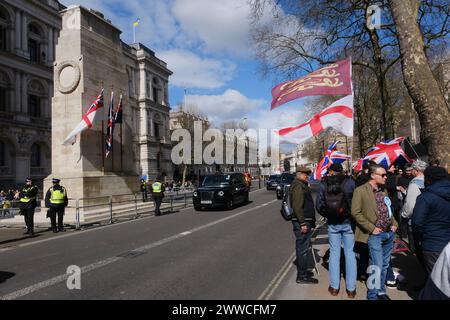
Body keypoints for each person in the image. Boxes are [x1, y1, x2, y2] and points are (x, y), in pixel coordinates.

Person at [351, 163, 398, 300]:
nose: (385, 177)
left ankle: (381, 291)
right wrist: (371, 228)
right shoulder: (360, 190)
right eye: (383, 175)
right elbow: (355, 212)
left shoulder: (383, 190)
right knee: (376, 265)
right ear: (372, 175)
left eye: (386, 175)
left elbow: (388, 209)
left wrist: (394, 223)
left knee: (384, 265)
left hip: (388, 233)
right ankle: (372, 296)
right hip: (374, 235)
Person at [316, 163, 357, 297]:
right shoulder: (350, 182)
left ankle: (334, 287)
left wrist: (328, 214)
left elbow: (319, 205)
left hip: (333, 223)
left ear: (331, 172)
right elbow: (355, 203)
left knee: (334, 253)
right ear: (342, 171)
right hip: (348, 222)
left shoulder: (324, 184)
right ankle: (351, 289)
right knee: (350, 253)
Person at [412, 166, 450, 275]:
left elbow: (417, 222)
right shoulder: (426, 196)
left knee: (436, 281)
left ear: (428, 179)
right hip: (442, 243)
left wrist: (420, 238)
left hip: (433, 245)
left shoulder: (425, 197)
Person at [290, 166, 318, 284]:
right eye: (306, 174)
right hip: (302, 221)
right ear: (300, 174)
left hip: (305, 220)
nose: (308, 176)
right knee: (303, 249)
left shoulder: (301, 185)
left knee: (304, 247)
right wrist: (302, 223)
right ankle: (301, 276)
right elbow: (297, 206)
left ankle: (303, 271)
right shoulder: (298, 186)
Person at [400, 160, 428, 260]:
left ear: (416, 171)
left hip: (416, 220)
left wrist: (404, 215)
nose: (411, 171)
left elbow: (410, 205)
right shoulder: (430, 180)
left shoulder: (414, 183)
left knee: (418, 249)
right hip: (430, 219)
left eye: (412, 170)